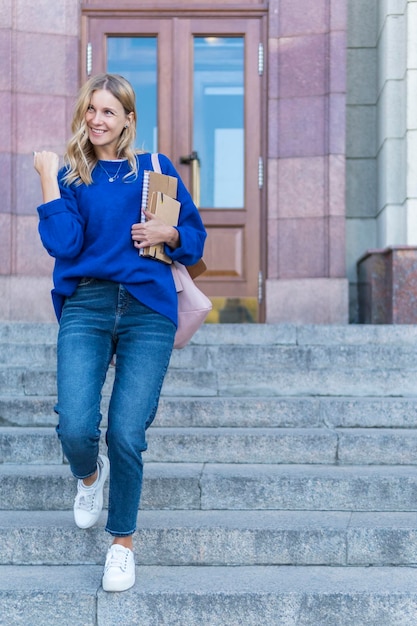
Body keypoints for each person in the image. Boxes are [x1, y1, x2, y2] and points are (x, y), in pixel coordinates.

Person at [33, 73, 206, 592]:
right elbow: (63, 243)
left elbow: (194, 241)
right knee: (75, 428)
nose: (97, 120)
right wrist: (47, 177)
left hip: (147, 310)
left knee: (127, 432)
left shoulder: (154, 170)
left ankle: (122, 545)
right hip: (86, 305)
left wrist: (168, 232)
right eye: (91, 110)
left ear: (129, 119)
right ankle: (89, 476)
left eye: (109, 111)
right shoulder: (70, 177)